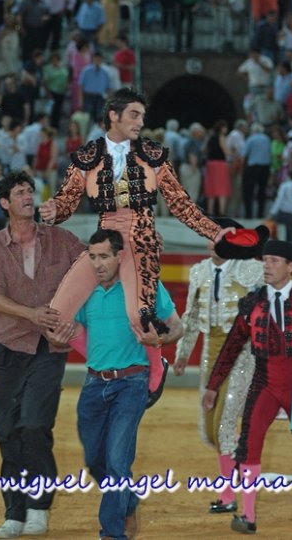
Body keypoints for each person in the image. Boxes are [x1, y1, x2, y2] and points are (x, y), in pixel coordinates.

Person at [40, 87, 232, 405]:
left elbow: (181, 205)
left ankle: (155, 368)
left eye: (142, 115)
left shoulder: (153, 157)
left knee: (138, 316)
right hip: (104, 243)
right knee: (56, 318)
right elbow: (66, 201)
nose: (141, 121)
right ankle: (105, 363)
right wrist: (52, 211)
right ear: (113, 116)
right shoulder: (88, 156)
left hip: (140, 240)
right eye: (134, 114)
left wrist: (214, 232)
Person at [47, 228, 183, 540]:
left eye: (103, 256)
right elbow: (65, 331)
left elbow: (178, 327)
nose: (96, 264)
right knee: (96, 460)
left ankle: (112, 533)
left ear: (119, 256)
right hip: (94, 385)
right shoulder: (84, 292)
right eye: (92, 257)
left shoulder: (143, 288)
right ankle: (128, 501)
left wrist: (158, 338)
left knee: (118, 461)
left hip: (131, 383)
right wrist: (58, 336)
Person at [0, 169, 85, 539]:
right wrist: (32, 313)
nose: (28, 196)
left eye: (30, 190)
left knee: (34, 425)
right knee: (7, 432)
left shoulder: (62, 240)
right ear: (5, 203)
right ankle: (15, 511)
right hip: (8, 349)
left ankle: (38, 506)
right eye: (19, 192)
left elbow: (93, 273)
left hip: (48, 348)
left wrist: (77, 318)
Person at [202, 239, 292, 534]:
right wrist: (213, 385)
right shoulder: (253, 303)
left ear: (291, 267)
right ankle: (248, 517)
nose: (267, 265)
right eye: (265, 260)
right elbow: (232, 346)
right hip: (264, 380)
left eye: (275, 260)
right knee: (249, 444)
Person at [174, 221, 263, 514]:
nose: (212, 241)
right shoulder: (199, 271)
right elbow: (190, 316)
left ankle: (228, 495)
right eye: (210, 235)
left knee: (224, 427)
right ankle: (240, 459)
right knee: (209, 432)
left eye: (221, 236)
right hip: (211, 353)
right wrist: (182, 353)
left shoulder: (250, 269)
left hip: (242, 354)